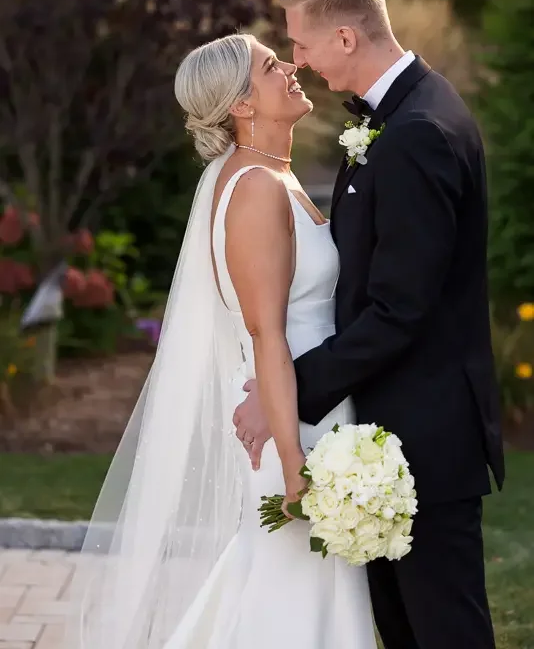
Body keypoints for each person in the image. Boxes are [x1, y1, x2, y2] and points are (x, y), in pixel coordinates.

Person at [65, 32, 377, 648]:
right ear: (240, 104)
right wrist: (294, 464)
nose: (289, 67)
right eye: (269, 65)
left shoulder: (269, 176)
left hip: (311, 404)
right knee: (290, 601)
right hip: (295, 421)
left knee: (289, 592)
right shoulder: (255, 187)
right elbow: (265, 334)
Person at [234, 0, 505, 649]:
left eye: (302, 44)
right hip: (390, 438)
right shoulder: (395, 119)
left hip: (427, 439)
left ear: (346, 40)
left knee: (445, 633)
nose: (300, 62)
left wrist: (286, 391)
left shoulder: (418, 132)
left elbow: (399, 309)